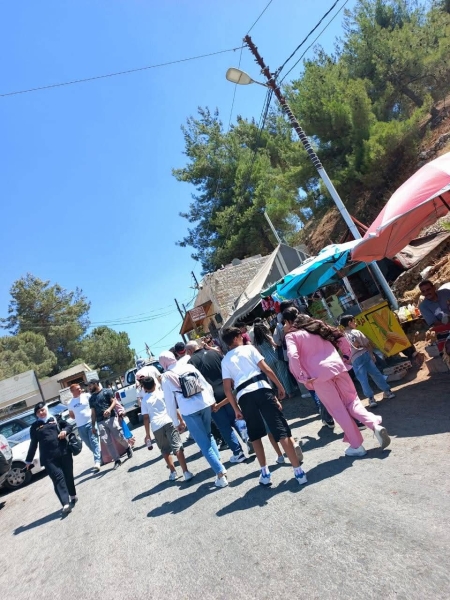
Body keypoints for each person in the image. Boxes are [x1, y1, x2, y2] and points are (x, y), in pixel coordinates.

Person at [283, 308, 391, 457]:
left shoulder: (291, 336)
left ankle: (356, 445)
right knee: (353, 401)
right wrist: (346, 356)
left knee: (338, 410)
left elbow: (292, 355)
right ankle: (374, 425)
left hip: (318, 376)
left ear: (288, 321)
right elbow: (341, 337)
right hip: (338, 367)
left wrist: (302, 377)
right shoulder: (317, 325)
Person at [221, 327, 307, 486]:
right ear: (237, 337)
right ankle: (298, 471)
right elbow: (266, 369)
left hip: (244, 396)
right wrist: (280, 386)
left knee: (255, 435)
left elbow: (227, 389)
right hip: (262, 389)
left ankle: (265, 473)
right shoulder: (249, 349)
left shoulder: (225, 360)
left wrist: (236, 409)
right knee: (279, 429)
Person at [159, 351, 229, 488]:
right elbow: (206, 385)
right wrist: (212, 401)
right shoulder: (189, 367)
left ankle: (221, 474)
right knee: (208, 435)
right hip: (204, 404)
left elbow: (170, 403)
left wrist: (176, 422)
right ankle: (218, 463)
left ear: (163, 363)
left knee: (203, 444)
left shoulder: (166, 377)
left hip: (189, 410)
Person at [185, 340, 247, 463]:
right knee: (236, 417)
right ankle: (248, 438)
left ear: (190, 351)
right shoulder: (214, 353)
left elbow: (194, 385)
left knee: (224, 426)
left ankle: (238, 453)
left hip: (211, 397)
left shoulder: (191, 363)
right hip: (226, 390)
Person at [25, 402, 77, 514]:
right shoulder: (34, 427)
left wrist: (65, 431)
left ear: (46, 409)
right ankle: (65, 503)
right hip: (48, 458)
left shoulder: (56, 418)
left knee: (68, 476)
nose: (41, 413)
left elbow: (69, 426)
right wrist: (28, 460)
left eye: (42, 410)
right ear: (36, 414)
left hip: (64, 452)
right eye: (38, 412)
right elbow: (33, 444)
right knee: (58, 478)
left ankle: (73, 495)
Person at [140, 377, 194, 482]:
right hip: (168, 421)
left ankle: (173, 472)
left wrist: (147, 434)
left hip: (156, 426)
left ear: (144, 388)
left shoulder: (144, 401)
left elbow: (146, 418)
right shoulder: (162, 394)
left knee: (165, 450)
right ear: (155, 384)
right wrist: (180, 419)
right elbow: (171, 407)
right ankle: (186, 472)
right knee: (177, 446)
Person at [340, 315, 395, 408]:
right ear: (349, 323)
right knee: (376, 374)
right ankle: (388, 392)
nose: (355, 323)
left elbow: (343, 351)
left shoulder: (343, 337)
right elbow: (367, 344)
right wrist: (372, 355)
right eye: (354, 321)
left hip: (355, 359)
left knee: (363, 379)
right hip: (365, 355)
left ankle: (371, 399)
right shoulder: (357, 332)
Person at [88, 379, 132, 470]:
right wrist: (93, 426)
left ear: (96, 384)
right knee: (107, 442)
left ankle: (127, 447)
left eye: (90, 385)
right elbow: (93, 413)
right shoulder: (91, 399)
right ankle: (117, 460)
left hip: (111, 418)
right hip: (100, 422)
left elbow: (114, 401)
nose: (89, 387)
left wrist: (109, 409)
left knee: (119, 437)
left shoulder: (106, 391)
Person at [253, 319, 297, 398]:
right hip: (275, 356)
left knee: (277, 377)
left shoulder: (256, 342)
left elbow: (259, 352)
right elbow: (275, 345)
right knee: (284, 374)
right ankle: (289, 392)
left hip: (267, 360)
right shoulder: (267, 336)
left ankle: (283, 394)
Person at [68, 383, 101, 472]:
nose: (80, 390)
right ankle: (100, 456)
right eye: (77, 389)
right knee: (89, 444)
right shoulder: (70, 403)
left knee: (94, 441)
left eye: (80, 388)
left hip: (90, 423)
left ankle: (97, 462)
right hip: (80, 426)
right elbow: (71, 415)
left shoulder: (87, 396)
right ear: (72, 391)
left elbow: (94, 406)